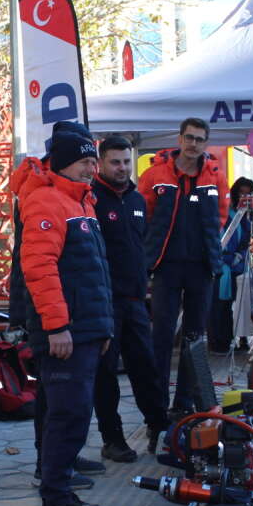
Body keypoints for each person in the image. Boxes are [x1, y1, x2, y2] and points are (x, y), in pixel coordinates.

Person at [11, 131, 113, 506]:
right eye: (86, 161)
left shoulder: (80, 201)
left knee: (73, 417)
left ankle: (63, 495)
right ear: (65, 162)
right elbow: (39, 269)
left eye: (94, 161)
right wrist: (57, 326)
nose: (94, 167)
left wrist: (100, 328)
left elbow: (91, 274)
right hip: (63, 335)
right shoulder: (46, 201)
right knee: (65, 418)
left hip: (83, 331)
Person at [139, 118, 227, 412]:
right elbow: (144, 215)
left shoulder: (215, 175)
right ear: (179, 139)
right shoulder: (155, 174)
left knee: (194, 337)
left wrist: (211, 250)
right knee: (161, 336)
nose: (193, 144)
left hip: (201, 268)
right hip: (166, 267)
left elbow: (221, 216)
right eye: (189, 138)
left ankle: (185, 402)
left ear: (206, 143)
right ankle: (158, 403)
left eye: (199, 139)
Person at [92, 136, 170, 460]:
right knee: (105, 374)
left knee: (146, 368)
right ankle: (113, 439)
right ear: (100, 163)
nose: (122, 168)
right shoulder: (91, 199)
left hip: (136, 300)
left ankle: (159, 429)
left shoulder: (138, 199)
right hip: (105, 303)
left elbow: (142, 244)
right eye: (115, 162)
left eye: (126, 161)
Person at [208, 177, 253, 352]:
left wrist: (240, 255)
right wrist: (227, 259)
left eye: (248, 193)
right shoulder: (224, 212)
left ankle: (242, 339)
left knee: (242, 305)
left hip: (238, 267)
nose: (244, 196)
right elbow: (215, 241)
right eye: (241, 193)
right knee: (220, 307)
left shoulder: (247, 215)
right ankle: (220, 342)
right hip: (221, 268)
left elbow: (245, 239)